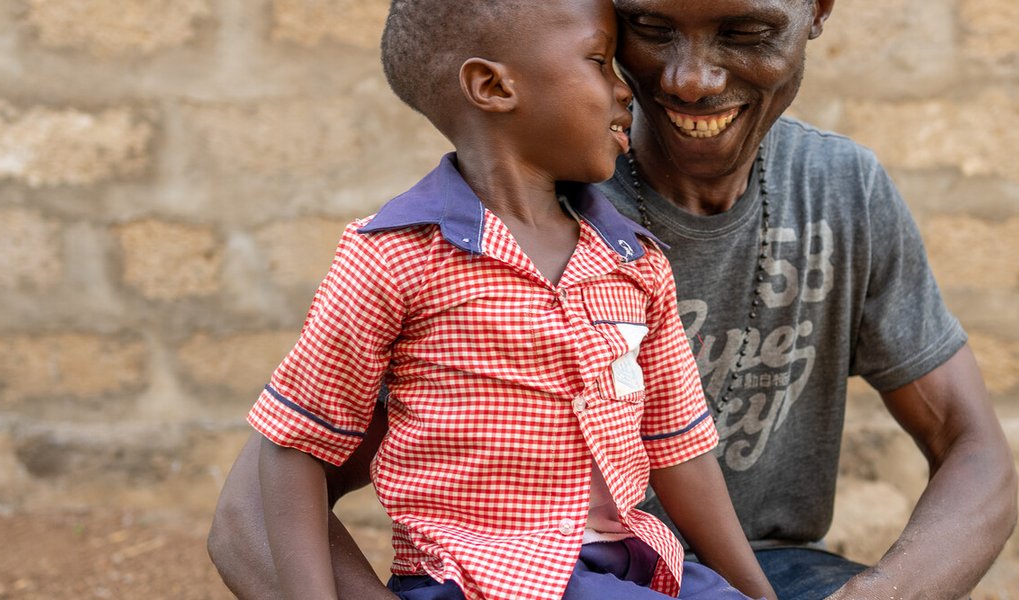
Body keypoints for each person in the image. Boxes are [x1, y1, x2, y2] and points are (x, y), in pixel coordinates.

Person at [209, 0, 1019, 598]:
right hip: (534, 574)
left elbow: (972, 446)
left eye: (744, 32)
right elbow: (251, 512)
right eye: (651, 30)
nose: (691, 80)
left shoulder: (841, 190)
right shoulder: (502, 229)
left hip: (757, 572)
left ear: (815, 11)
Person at [238, 0, 777, 598]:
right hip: (485, 575)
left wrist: (758, 594)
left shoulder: (635, 261)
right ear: (492, 86)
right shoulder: (395, 258)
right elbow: (295, 445)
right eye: (599, 62)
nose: (627, 91)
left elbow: (679, 448)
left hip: (628, 562)